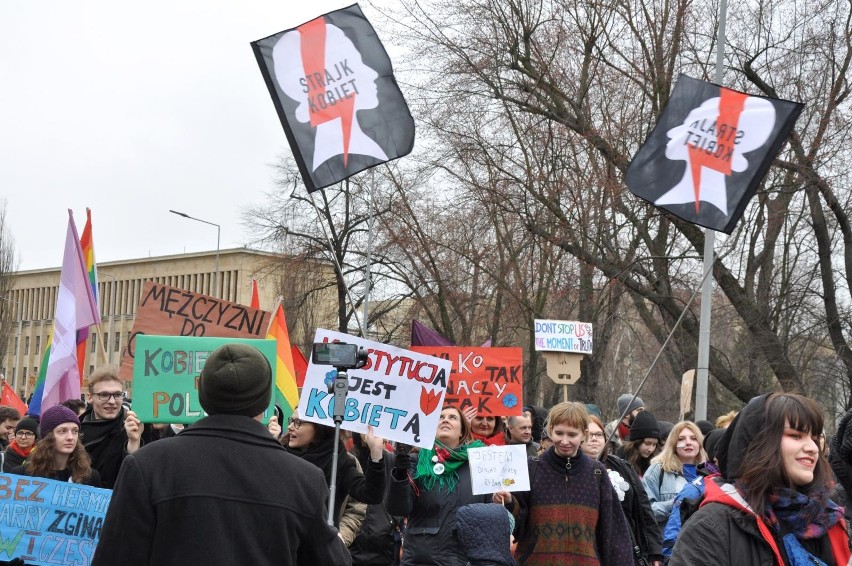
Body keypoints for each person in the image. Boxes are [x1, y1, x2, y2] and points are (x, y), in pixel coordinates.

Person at [92, 343, 350, 566]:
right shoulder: (304, 479)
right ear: (265, 402)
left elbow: (115, 557)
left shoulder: (147, 465)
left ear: (202, 396)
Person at [670, 393, 851, 565]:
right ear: (758, 442)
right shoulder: (710, 527)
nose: (812, 447)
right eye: (796, 435)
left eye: (815, 437)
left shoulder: (828, 518)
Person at [498, 402, 634, 565]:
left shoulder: (597, 473)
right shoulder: (531, 467)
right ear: (550, 431)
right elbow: (517, 525)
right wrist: (509, 502)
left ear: (584, 435)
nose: (564, 440)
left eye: (572, 434)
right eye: (559, 433)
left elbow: (613, 531)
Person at [387, 404, 492, 565]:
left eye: (452, 417)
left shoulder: (479, 461)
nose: (445, 420)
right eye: (441, 417)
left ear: (463, 431)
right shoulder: (417, 461)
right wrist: (401, 474)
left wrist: (504, 501)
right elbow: (399, 509)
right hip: (422, 559)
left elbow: (490, 509)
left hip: (466, 558)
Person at [284, 411, 387, 531]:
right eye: (291, 420)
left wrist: (376, 454)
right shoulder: (280, 454)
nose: (290, 427)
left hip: (316, 546)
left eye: (298, 422)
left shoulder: (339, 463)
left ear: (319, 428)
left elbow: (371, 494)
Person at [583, 414, 663, 565]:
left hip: (626, 548)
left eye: (599, 434)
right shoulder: (570, 470)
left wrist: (654, 552)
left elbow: (644, 510)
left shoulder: (623, 467)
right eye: (588, 434)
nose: (594, 439)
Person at [80, 365, 155, 488]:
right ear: (90, 397)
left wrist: (134, 441)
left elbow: (138, 477)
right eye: (104, 395)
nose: (112, 401)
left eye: (117, 395)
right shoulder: (75, 431)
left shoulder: (135, 428)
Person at [11, 405, 100, 486]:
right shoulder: (21, 475)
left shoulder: (90, 477)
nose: (70, 437)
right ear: (47, 436)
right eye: (62, 431)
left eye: (75, 431)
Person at [642, 420, 706, 529]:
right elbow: (645, 511)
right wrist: (677, 503)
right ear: (673, 444)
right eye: (681, 439)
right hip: (669, 541)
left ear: (700, 443)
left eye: (693, 438)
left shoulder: (708, 472)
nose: (688, 442)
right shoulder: (658, 469)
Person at [617, 410, 661, 478]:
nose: (651, 449)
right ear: (637, 442)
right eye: (647, 443)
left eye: (654, 444)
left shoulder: (655, 463)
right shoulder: (619, 462)